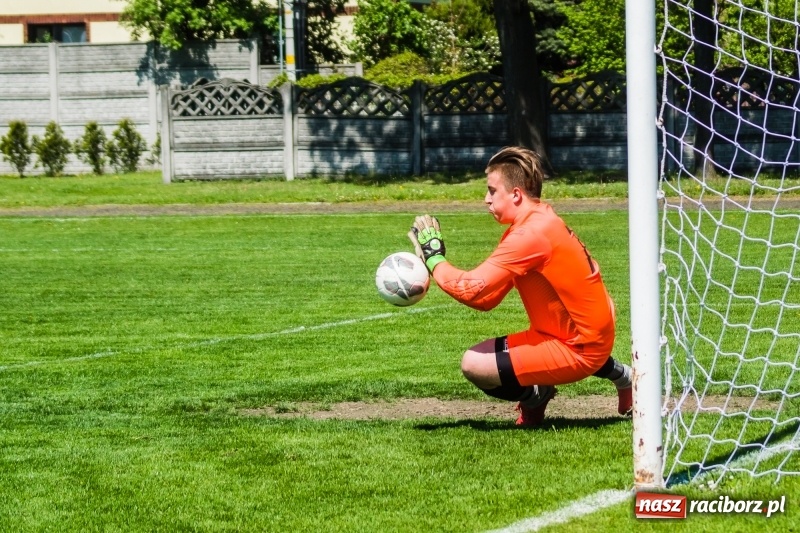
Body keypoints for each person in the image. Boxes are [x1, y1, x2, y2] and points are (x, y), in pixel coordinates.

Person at [408, 146, 632, 427]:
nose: (486, 199)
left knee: (473, 364)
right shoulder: (535, 222)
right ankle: (622, 375)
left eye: (492, 191)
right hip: (571, 334)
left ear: (515, 194)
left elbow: (472, 289)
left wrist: (434, 258)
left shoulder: (530, 234)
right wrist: (439, 266)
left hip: (580, 347)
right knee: (485, 356)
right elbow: (486, 299)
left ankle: (535, 395)